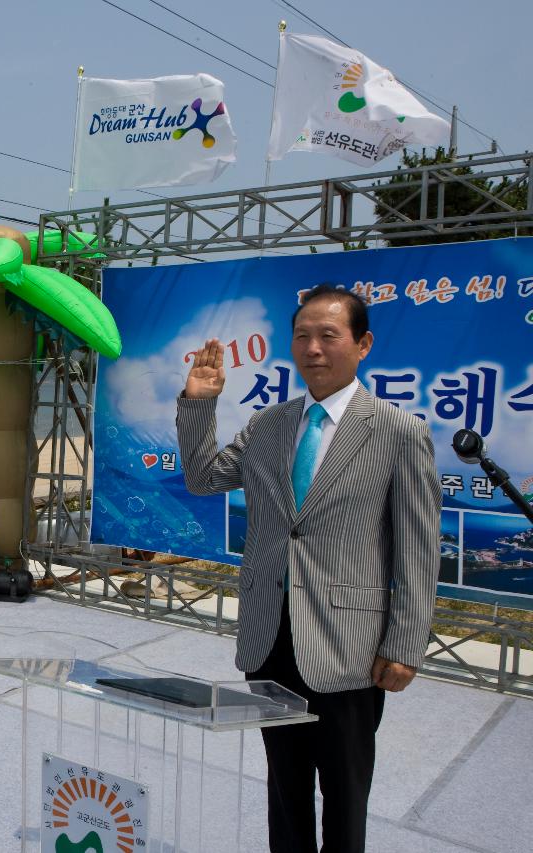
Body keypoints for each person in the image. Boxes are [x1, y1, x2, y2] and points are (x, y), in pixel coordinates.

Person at [176, 284, 440, 853]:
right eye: (302, 336)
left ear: (362, 343)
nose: (313, 348)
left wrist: (406, 642)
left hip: (351, 645)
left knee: (345, 795)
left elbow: (418, 549)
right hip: (272, 637)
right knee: (284, 787)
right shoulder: (270, 425)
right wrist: (199, 402)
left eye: (328, 335)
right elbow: (202, 479)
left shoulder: (399, 432)